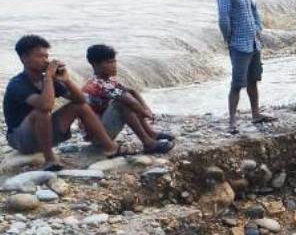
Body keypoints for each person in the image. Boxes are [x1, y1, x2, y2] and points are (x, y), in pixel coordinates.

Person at [3, 35, 130, 171]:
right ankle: (49, 159)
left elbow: (81, 100)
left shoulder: (47, 80)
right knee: (41, 112)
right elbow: (45, 105)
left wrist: (66, 80)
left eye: (47, 56)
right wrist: (49, 79)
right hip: (20, 139)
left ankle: (110, 147)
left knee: (78, 106)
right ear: (24, 58)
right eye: (40, 57)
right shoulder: (17, 84)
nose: (46, 61)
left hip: (44, 135)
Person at [217, 0, 274, 134]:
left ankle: (255, 114)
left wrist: (258, 28)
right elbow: (224, 19)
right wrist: (229, 38)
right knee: (237, 84)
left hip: (253, 42)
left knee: (253, 80)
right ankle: (232, 121)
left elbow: (254, 12)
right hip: (239, 45)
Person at [83, 44, 174, 154]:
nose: (114, 65)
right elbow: (129, 101)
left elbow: (131, 92)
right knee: (122, 104)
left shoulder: (106, 81)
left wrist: (145, 107)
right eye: (109, 62)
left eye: (114, 61)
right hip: (98, 136)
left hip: (102, 129)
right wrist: (144, 112)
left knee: (128, 97)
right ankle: (148, 143)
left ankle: (151, 133)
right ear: (95, 65)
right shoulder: (100, 84)